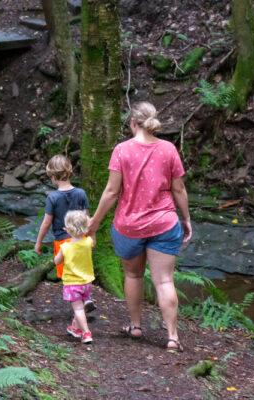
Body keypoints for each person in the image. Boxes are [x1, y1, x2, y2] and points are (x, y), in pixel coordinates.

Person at [87, 101, 192, 352]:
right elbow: (179, 188)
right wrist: (186, 218)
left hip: (129, 227)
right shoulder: (168, 149)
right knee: (165, 281)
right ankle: (173, 337)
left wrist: (94, 223)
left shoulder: (121, 151)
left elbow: (112, 192)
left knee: (132, 275)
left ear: (133, 123)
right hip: (165, 224)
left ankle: (135, 326)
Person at [34, 154, 96, 313]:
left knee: (68, 276)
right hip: (81, 241)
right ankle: (86, 298)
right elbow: (87, 219)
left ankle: (79, 306)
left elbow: (46, 223)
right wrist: (91, 237)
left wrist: (38, 242)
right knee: (82, 270)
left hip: (63, 242)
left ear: (53, 177)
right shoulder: (81, 193)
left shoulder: (52, 197)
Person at [54, 210, 95, 343]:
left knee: (78, 309)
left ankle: (86, 333)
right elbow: (92, 240)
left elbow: (57, 261)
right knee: (81, 307)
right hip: (87, 282)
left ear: (67, 229)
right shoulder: (88, 242)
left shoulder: (65, 247)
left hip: (72, 284)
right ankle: (75, 328)